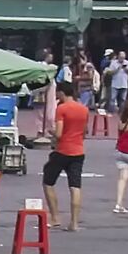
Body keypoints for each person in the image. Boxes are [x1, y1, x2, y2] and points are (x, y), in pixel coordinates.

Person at [43, 79, 90, 231]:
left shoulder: (62, 108)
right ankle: (74, 222)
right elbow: (84, 132)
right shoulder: (83, 109)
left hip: (63, 150)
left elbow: (59, 133)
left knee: (48, 182)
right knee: (75, 186)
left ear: (62, 93)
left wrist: (51, 133)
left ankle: (55, 216)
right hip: (78, 150)